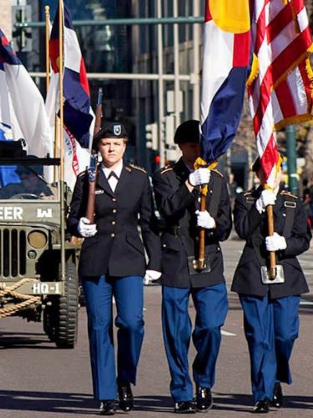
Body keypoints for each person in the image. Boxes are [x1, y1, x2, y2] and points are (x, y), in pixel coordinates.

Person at [67, 122, 161, 416]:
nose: (111, 149)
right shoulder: (87, 178)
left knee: (132, 323)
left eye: (117, 144)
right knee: (99, 328)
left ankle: (125, 379)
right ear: (98, 148)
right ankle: (106, 393)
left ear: (124, 148)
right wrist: (78, 226)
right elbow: (73, 216)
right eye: (106, 144)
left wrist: (154, 262)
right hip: (96, 261)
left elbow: (148, 223)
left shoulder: (139, 179)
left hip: (129, 259)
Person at [151, 119, 232, 413]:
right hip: (175, 257)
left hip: (208, 260)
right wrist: (188, 185)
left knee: (210, 326)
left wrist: (213, 225)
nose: (195, 149)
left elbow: (226, 226)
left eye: (199, 145)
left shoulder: (219, 180)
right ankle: (182, 391)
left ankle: (204, 381)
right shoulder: (166, 176)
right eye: (190, 145)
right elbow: (169, 209)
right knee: (176, 332)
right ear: (181, 147)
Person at [232, 158, 311, 413]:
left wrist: (284, 244)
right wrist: (258, 206)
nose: (269, 176)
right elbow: (243, 230)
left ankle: (275, 374)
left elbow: (303, 239)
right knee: (258, 337)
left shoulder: (292, 201)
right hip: (254, 274)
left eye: (274, 170)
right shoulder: (245, 200)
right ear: (256, 173)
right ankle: (263, 392)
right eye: (264, 171)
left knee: (285, 333)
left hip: (286, 275)